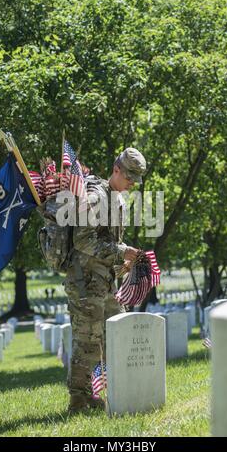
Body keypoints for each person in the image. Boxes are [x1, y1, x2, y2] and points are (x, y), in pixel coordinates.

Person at [64, 147, 146, 412]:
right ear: (116, 169)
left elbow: (109, 242)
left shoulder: (117, 199)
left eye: (136, 179)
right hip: (85, 282)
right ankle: (79, 398)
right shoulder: (95, 196)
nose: (132, 183)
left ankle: (107, 391)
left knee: (116, 332)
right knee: (87, 340)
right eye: (129, 177)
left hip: (106, 281)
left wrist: (122, 260)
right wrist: (122, 251)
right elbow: (83, 240)